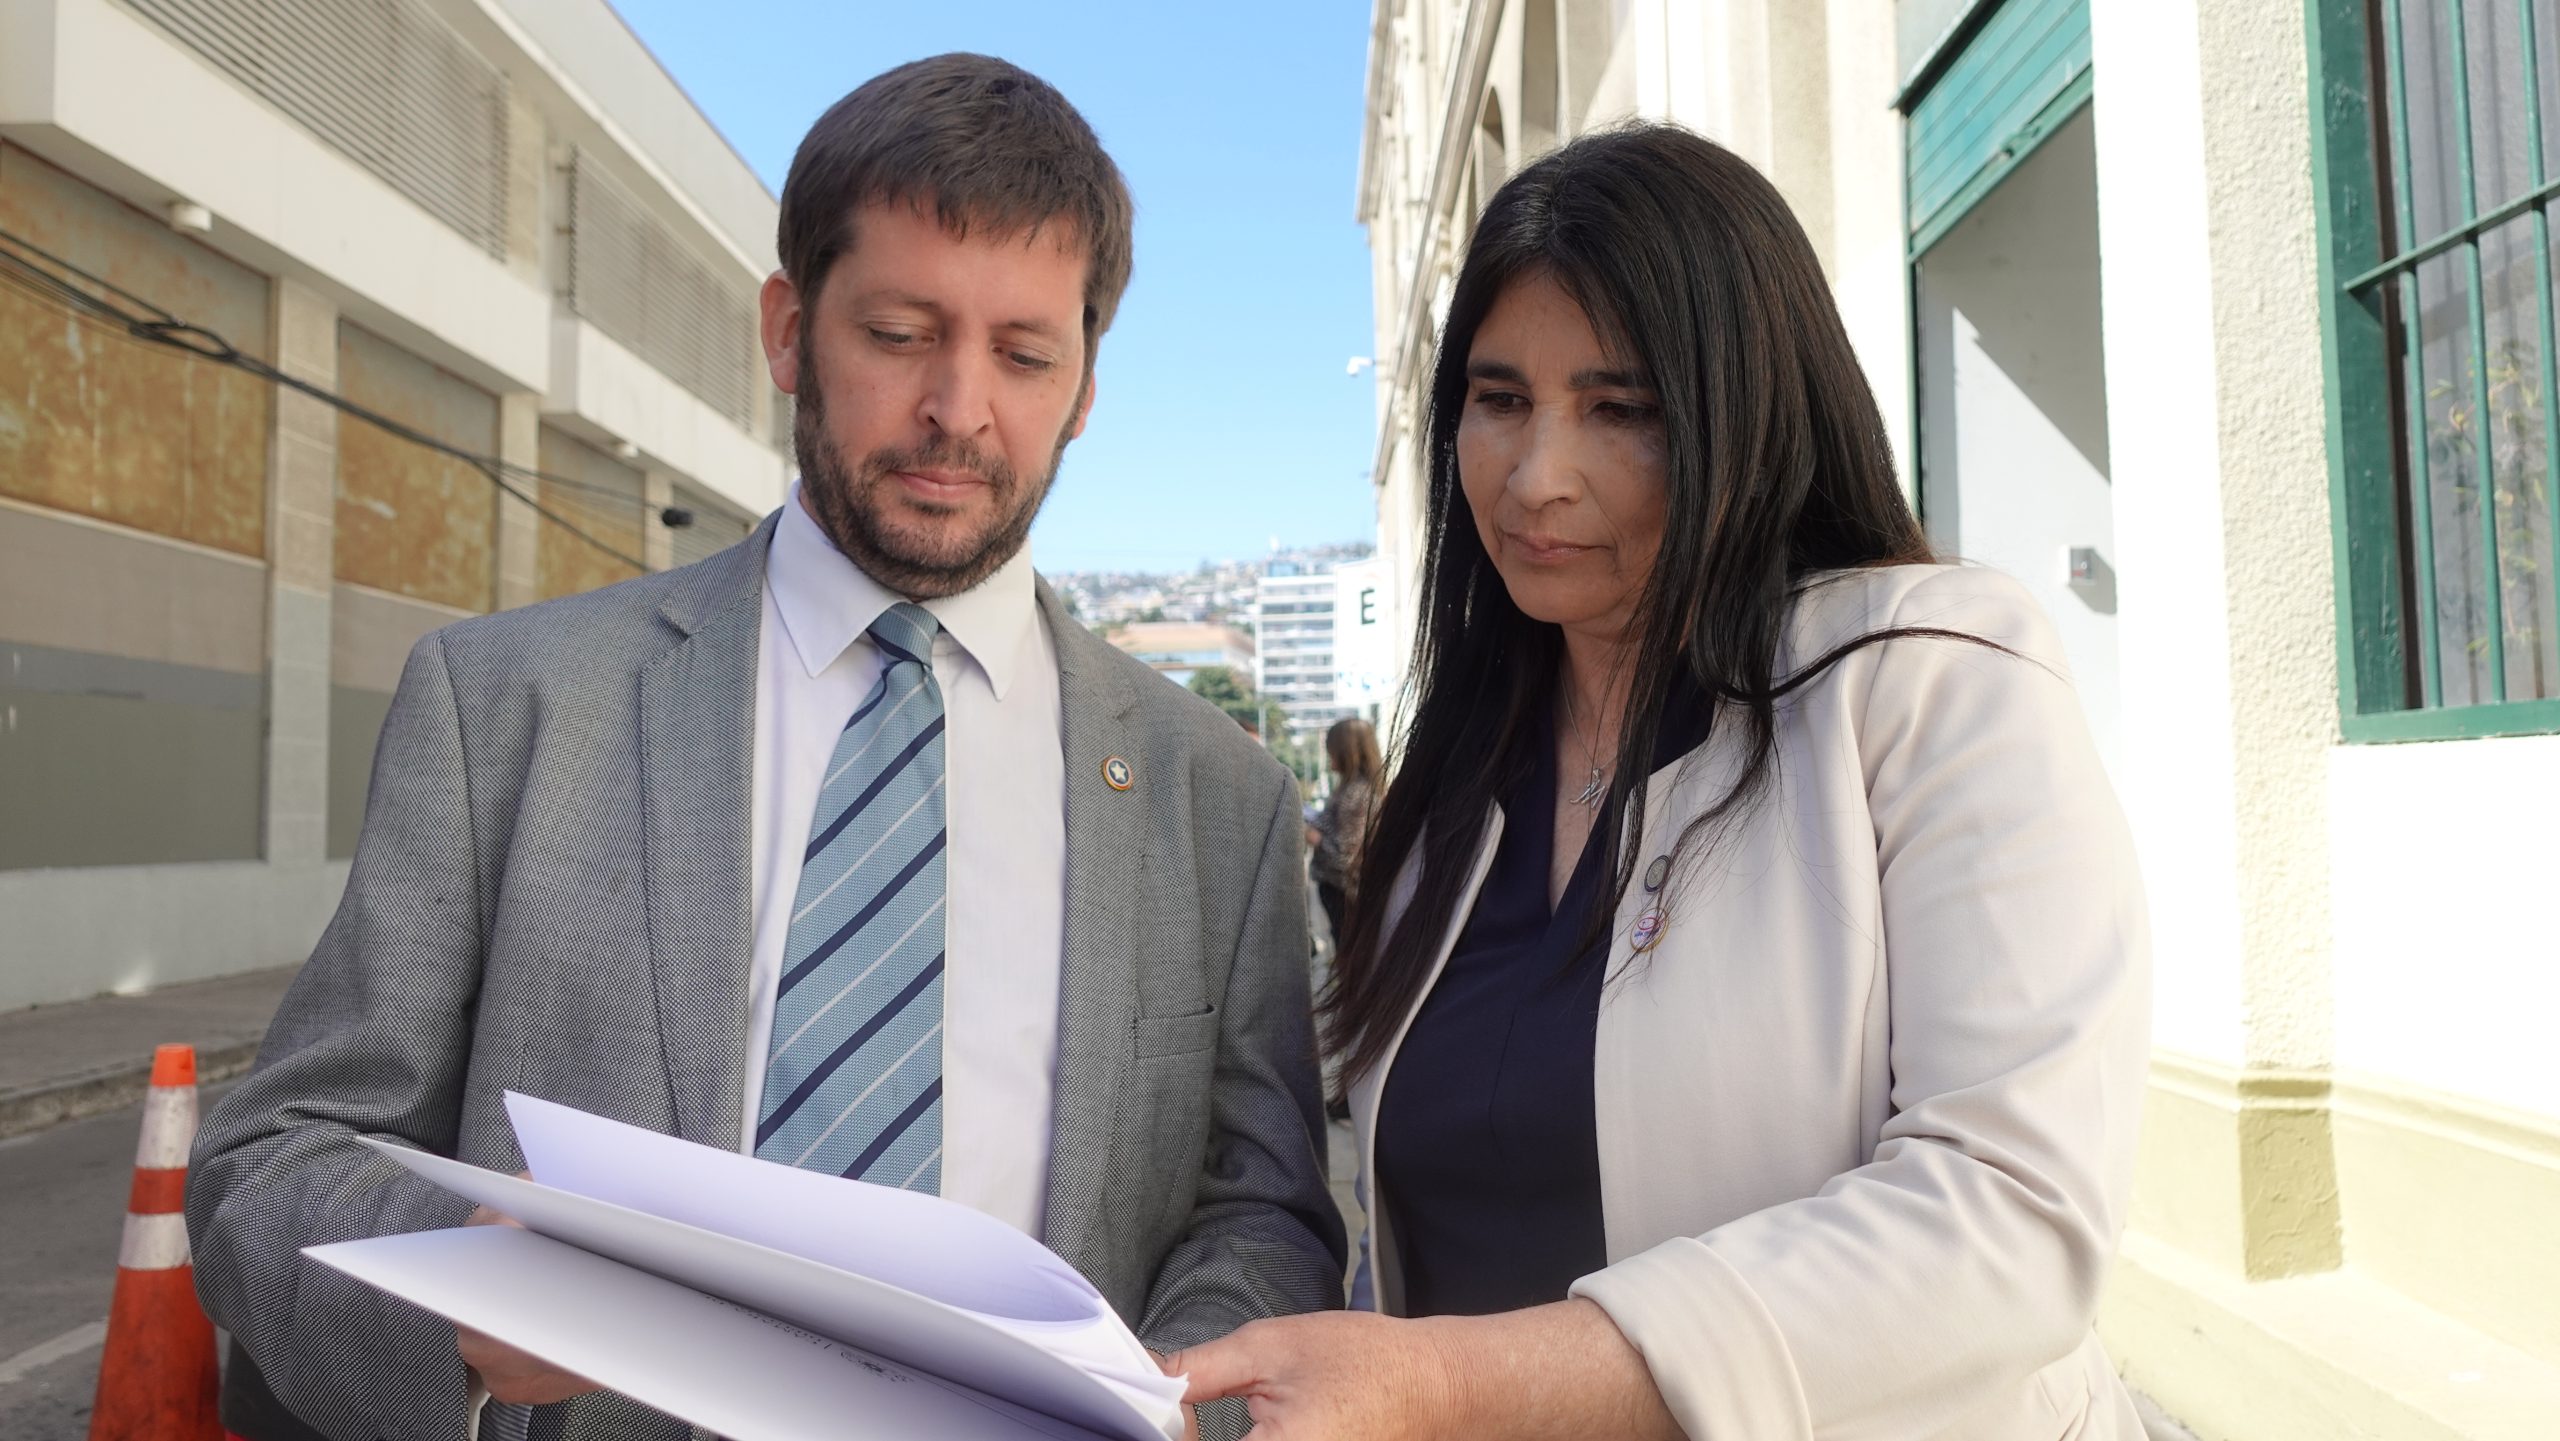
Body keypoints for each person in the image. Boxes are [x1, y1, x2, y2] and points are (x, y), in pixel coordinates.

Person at [187, 54, 1344, 1441]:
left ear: (1085, 382)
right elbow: (273, 1158)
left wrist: (1168, 1402)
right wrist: (459, 1298)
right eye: (900, 333)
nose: (960, 407)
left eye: (1025, 355)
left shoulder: (1217, 799)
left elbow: (1260, 1212)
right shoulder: (506, 707)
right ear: (790, 333)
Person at [1169, 123, 2150, 1440]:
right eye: (1499, 399)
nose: (1537, 477)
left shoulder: (1930, 676)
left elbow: (2011, 1219)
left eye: (1620, 409)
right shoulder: (1448, 803)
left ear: (1746, 411)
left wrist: (1455, 1383)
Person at [1305, 716, 1381, 946]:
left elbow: (1346, 857)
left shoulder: (1357, 794)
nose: (1329, 757)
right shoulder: (1354, 789)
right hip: (1342, 894)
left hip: (1344, 894)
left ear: (1346, 752)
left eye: (1331, 751)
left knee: (1349, 953)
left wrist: (1313, 837)